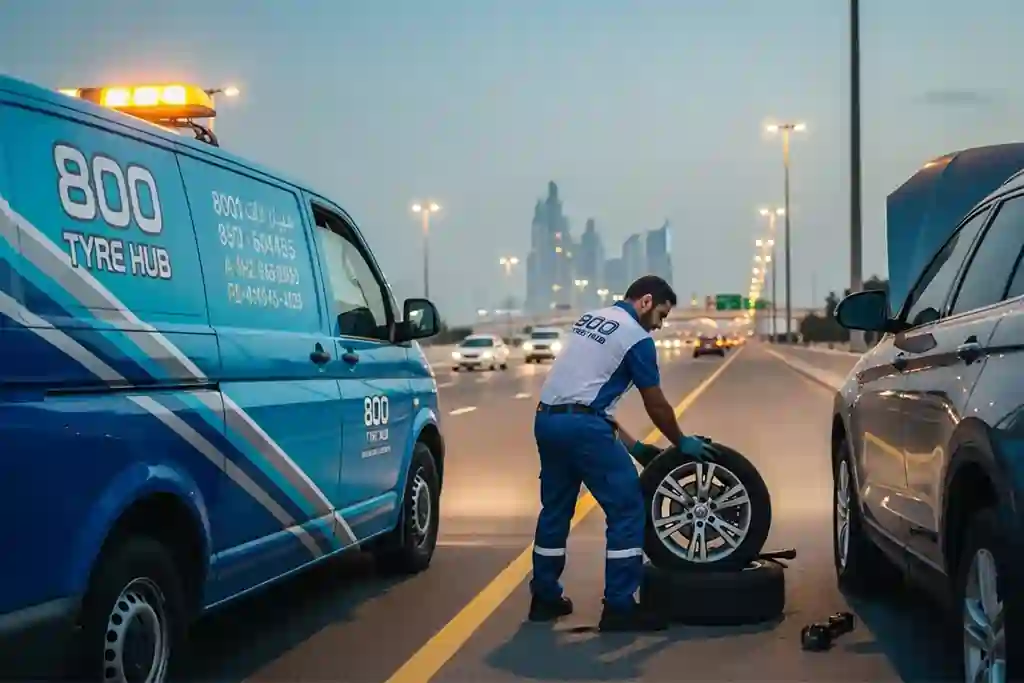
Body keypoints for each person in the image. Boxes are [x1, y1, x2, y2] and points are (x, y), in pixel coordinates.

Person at [528, 275, 719, 631]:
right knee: (628, 510)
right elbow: (655, 404)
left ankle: (544, 598)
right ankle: (619, 607)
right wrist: (681, 441)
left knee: (555, 511)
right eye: (661, 315)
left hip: (547, 421)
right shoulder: (637, 338)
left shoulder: (590, 319)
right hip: (584, 429)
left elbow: (587, 400)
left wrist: (635, 447)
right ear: (645, 302)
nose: (659, 326)